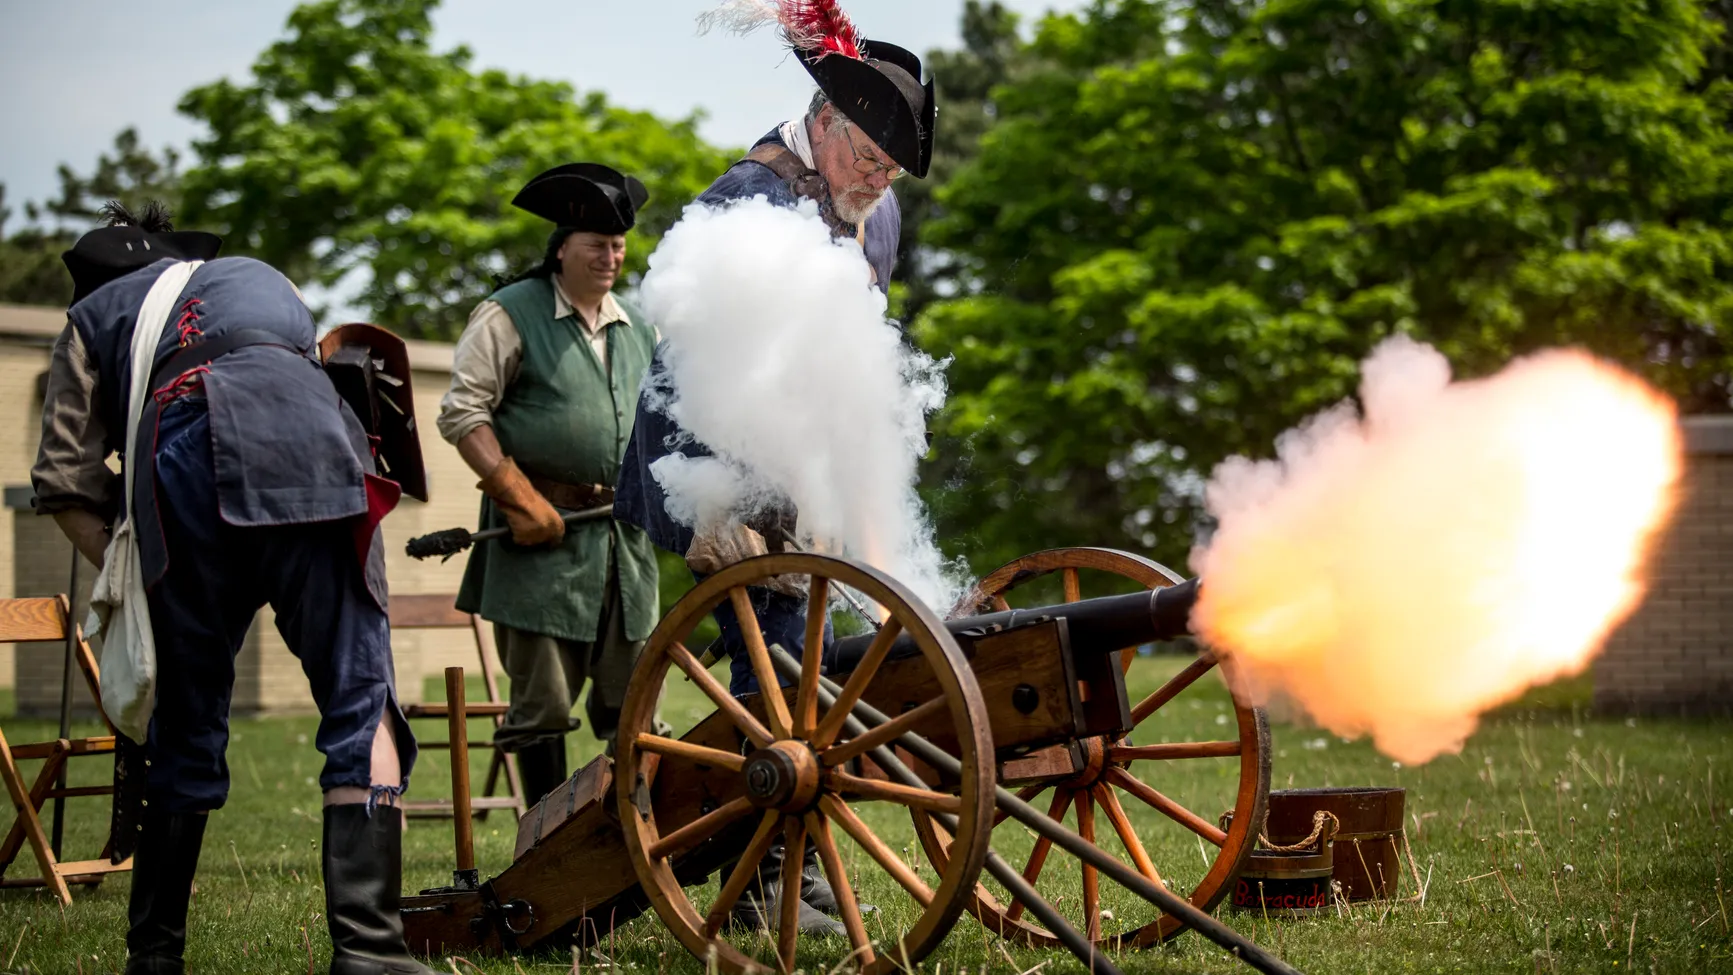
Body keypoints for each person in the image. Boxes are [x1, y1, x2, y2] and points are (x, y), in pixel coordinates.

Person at [32, 202, 431, 975]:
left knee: (185, 719)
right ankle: (370, 951)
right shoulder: (259, 280)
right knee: (360, 694)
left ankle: (154, 956)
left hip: (181, 458)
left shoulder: (91, 315)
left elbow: (62, 479)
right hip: (316, 444)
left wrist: (132, 566)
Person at [612, 0, 936, 936]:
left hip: (805, 461)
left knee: (829, 652)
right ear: (825, 123)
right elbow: (683, 371)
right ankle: (763, 878)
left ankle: (796, 855)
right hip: (707, 458)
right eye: (865, 159)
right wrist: (710, 507)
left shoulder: (878, 215)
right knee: (778, 645)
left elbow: (855, 357)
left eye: (891, 168)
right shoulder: (742, 198)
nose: (876, 182)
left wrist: (849, 496)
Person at [437, 164, 662, 808]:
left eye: (618, 245)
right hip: (536, 544)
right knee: (542, 711)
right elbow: (462, 413)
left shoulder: (640, 328)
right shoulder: (509, 314)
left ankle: (634, 846)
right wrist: (519, 495)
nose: (610, 256)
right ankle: (546, 853)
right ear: (562, 246)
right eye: (596, 244)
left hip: (623, 548)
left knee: (634, 709)